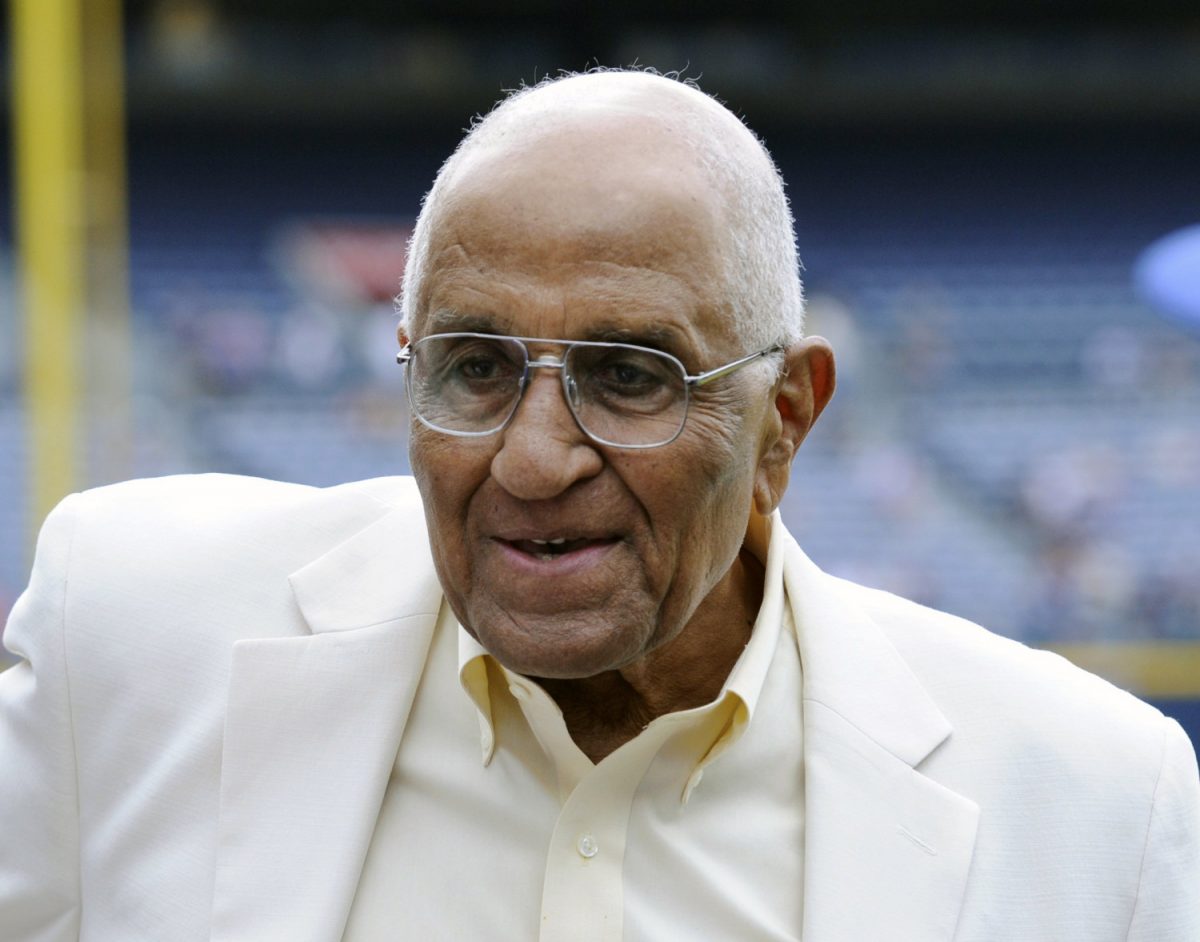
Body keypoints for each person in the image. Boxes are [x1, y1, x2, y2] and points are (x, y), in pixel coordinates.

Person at [1, 69, 1197, 942]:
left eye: (631, 377)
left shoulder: (1089, 806)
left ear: (787, 416)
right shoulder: (126, 637)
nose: (532, 460)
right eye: (472, 368)